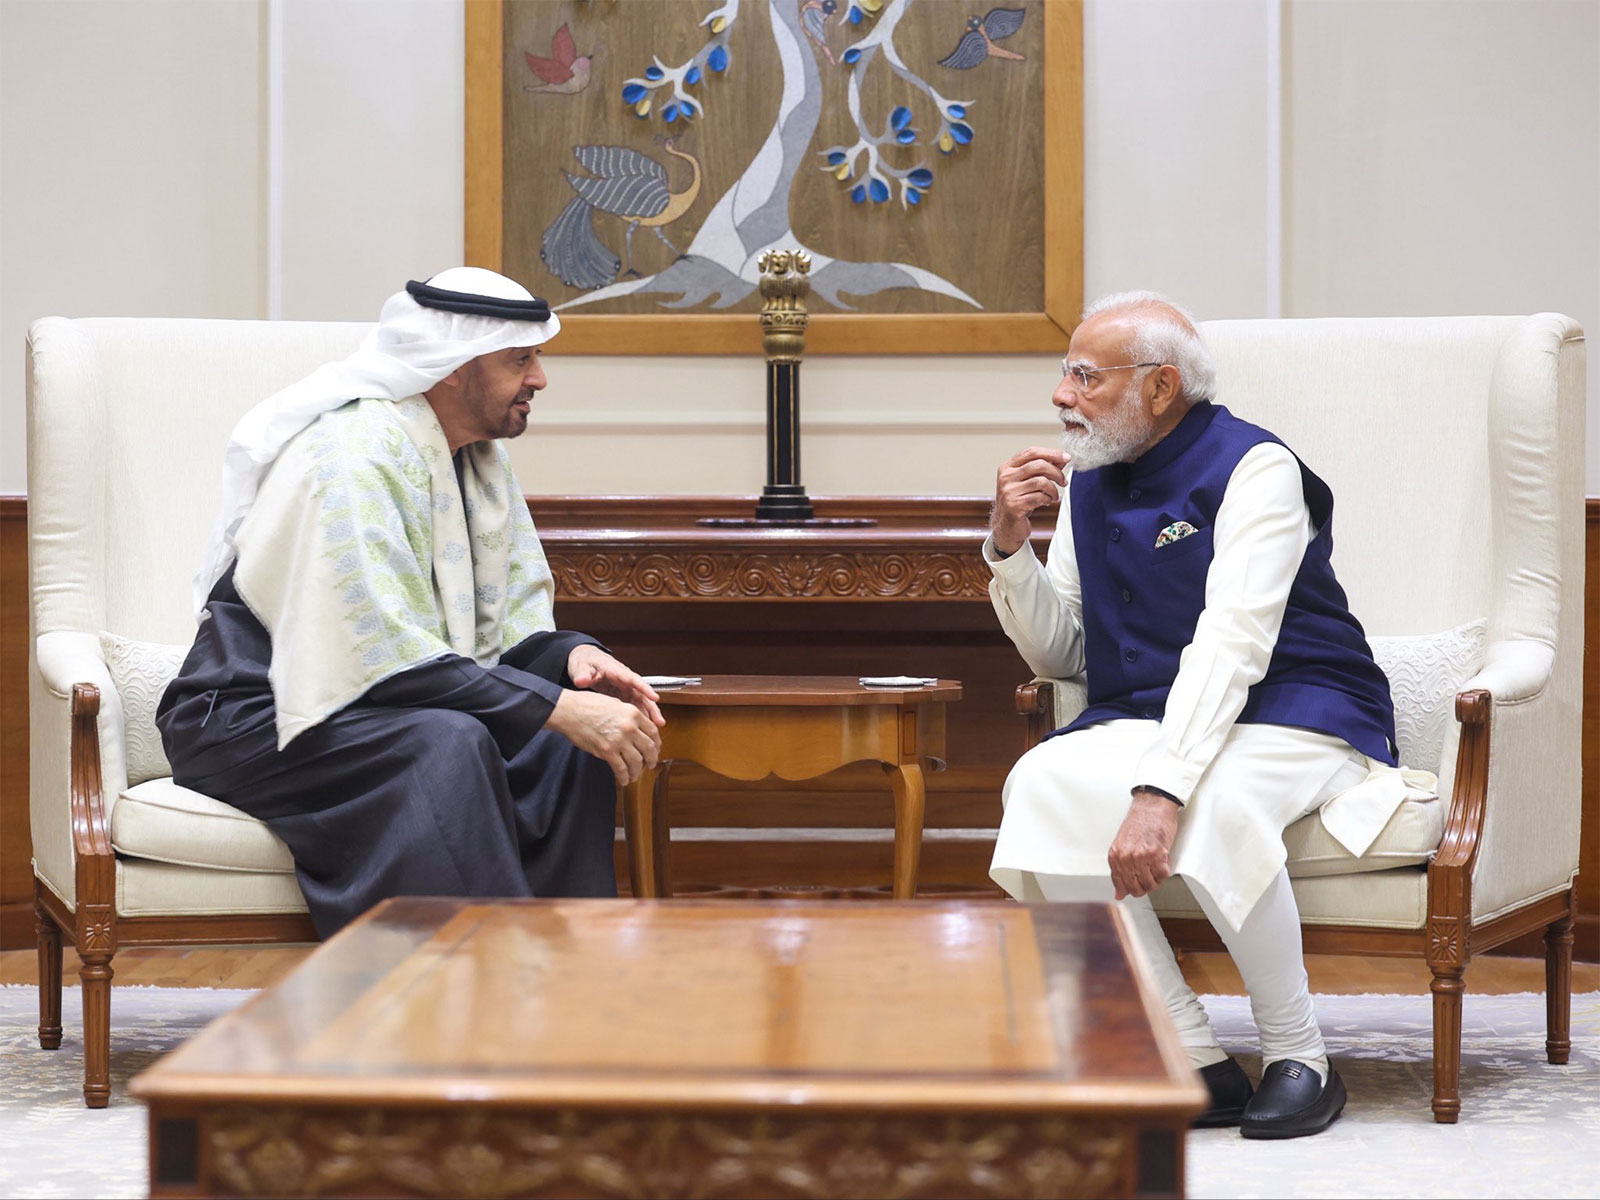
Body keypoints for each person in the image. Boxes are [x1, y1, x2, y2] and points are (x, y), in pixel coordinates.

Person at [983, 291, 1433, 1139]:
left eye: (1085, 375)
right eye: (1064, 372)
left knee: (1217, 801)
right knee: (1038, 781)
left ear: (1160, 387)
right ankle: (1191, 1054)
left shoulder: (1257, 469)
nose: (1061, 395)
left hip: (1301, 707)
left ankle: (1301, 1056)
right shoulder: (1088, 480)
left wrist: (1160, 792)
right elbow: (1065, 655)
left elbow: (1233, 644)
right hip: (1156, 719)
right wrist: (1011, 548)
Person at [157, 267, 664, 938]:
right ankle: (465, 994)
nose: (539, 378)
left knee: (570, 743)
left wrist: (574, 664)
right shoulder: (351, 457)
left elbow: (497, 633)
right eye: (521, 358)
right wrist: (556, 708)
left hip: (376, 705)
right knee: (450, 741)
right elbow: (382, 654)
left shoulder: (475, 457)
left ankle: (561, 983)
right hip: (253, 716)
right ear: (452, 366)